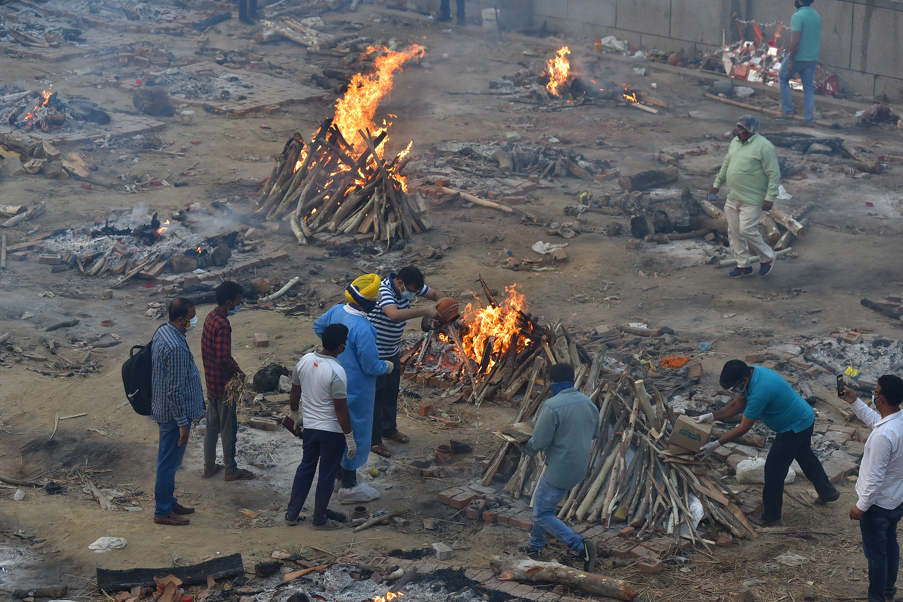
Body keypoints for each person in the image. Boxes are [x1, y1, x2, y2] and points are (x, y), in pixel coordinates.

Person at [698, 360, 839, 526]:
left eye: (735, 388)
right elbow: (738, 404)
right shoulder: (751, 373)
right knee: (804, 455)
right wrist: (712, 416)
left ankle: (771, 517)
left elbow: (744, 427)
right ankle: (827, 492)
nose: (735, 392)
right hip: (803, 417)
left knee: (773, 469)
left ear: (743, 380)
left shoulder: (760, 391)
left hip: (793, 427)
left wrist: (716, 443)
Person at [313, 274, 393, 504]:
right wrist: (385, 367)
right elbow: (369, 366)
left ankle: (338, 476)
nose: (376, 302)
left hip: (331, 380)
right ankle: (349, 486)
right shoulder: (364, 328)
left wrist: (335, 349)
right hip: (356, 389)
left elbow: (318, 327)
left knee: (336, 429)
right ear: (368, 302)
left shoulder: (337, 311)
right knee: (355, 434)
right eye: (374, 299)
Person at [521, 363, 599, 571]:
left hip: (559, 470)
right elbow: (594, 433)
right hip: (579, 467)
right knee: (542, 505)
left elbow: (538, 442)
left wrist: (522, 444)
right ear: (572, 380)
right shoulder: (588, 403)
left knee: (541, 514)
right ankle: (534, 546)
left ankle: (581, 546)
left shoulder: (552, 406)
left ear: (552, 382)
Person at [367, 267, 441, 458]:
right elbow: (394, 314)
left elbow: (433, 293)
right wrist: (425, 310)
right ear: (400, 283)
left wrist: (444, 304)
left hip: (392, 351)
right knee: (375, 397)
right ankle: (374, 441)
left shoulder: (410, 286)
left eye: (417, 291)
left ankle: (389, 428)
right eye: (412, 291)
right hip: (375, 353)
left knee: (391, 392)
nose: (414, 294)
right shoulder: (383, 291)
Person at [841, 376, 903, 602]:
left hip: (877, 506)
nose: (874, 395)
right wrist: (855, 402)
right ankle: (888, 590)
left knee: (876, 555)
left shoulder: (883, 436)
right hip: (896, 500)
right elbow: (879, 420)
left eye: (876, 392)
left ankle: (877, 598)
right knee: (890, 545)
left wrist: (861, 506)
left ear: (882, 397)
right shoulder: (898, 420)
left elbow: (875, 478)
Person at [284, 324, 353, 530]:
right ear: (341, 346)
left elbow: (294, 392)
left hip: (311, 429)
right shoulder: (337, 371)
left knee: (305, 468)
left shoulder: (304, 361)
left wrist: (295, 414)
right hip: (332, 432)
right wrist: (349, 436)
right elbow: (340, 408)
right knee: (327, 475)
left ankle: (291, 514)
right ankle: (319, 520)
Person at [151, 298, 205, 526]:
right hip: (174, 415)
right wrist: (183, 424)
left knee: (169, 461)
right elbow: (174, 391)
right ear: (182, 320)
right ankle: (163, 511)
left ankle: (169, 503)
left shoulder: (164, 331)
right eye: (191, 317)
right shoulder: (175, 347)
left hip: (164, 408)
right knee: (168, 463)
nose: (194, 320)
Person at [710, 115, 781, 279]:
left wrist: (770, 197)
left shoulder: (765, 147)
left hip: (753, 199)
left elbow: (774, 174)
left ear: (753, 130)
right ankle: (743, 266)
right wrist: (716, 186)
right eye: (739, 127)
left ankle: (768, 257)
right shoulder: (734, 142)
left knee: (746, 229)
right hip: (733, 196)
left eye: (744, 128)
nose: (740, 131)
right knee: (734, 232)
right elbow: (726, 164)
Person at [201, 281, 255, 482]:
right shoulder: (223, 324)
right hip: (224, 385)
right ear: (229, 302)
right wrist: (239, 373)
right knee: (228, 429)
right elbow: (223, 357)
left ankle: (208, 467)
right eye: (238, 302)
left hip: (211, 381)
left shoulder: (211, 317)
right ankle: (230, 469)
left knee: (211, 428)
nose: (238, 305)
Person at [779, 0, 820, 125]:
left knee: (783, 78)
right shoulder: (816, 15)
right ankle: (809, 120)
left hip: (798, 58)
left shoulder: (797, 16)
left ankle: (788, 112)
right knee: (808, 88)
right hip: (812, 58)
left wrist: (791, 60)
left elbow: (795, 41)